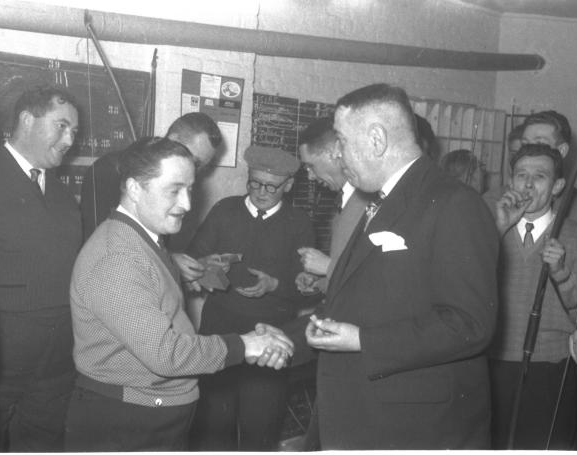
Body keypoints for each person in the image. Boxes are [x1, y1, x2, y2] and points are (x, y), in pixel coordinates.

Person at [261, 83, 499, 449]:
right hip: (364, 415)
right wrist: (286, 339)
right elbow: (349, 304)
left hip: (415, 429)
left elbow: (469, 324)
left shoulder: (454, 203)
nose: (338, 156)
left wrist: (363, 340)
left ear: (376, 139)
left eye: (341, 140)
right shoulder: (378, 201)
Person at [64, 137, 293, 451]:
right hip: (128, 421)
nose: (186, 204)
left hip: (148, 414)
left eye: (189, 189)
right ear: (133, 189)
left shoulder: (142, 241)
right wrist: (246, 344)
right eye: (174, 190)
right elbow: (164, 353)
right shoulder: (118, 258)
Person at [0, 85, 83, 451]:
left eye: (75, 132)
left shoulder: (63, 196)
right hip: (1, 353)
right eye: (61, 126)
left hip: (57, 360)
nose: (70, 140)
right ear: (27, 120)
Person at [186, 145, 316, 450]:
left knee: (260, 431)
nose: (260, 192)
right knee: (214, 431)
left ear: (289, 185)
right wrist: (208, 269)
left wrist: (275, 285)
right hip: (221, 332)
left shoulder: (300, 224)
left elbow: (306, 289)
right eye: (254, 183)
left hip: (270, 340)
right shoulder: (224, 210)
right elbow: (191, 260)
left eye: (271, 187)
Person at [488, 143, 577, 449]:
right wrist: (496, 229)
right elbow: (463, 287)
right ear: (511, 182)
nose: (529, 184)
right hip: (492, 364)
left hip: (550, 370)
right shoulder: (487, 230)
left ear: (558, 186)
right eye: (521, 174)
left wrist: (561, 272)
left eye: (540, 176)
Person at [80, 111, 223, 240]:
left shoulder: (183, 184)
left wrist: (170, 259)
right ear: (173, 140)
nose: (194, 172)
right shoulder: (107, 171)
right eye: (194, 161)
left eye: (201, 167)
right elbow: (105, 241)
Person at [296, 116, 371, 295]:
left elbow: (381, 277)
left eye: (310, 166)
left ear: (335, 152)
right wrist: (319, 283)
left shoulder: (370, 203)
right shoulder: (346, 200)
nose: (310, 176)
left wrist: (328, 267)